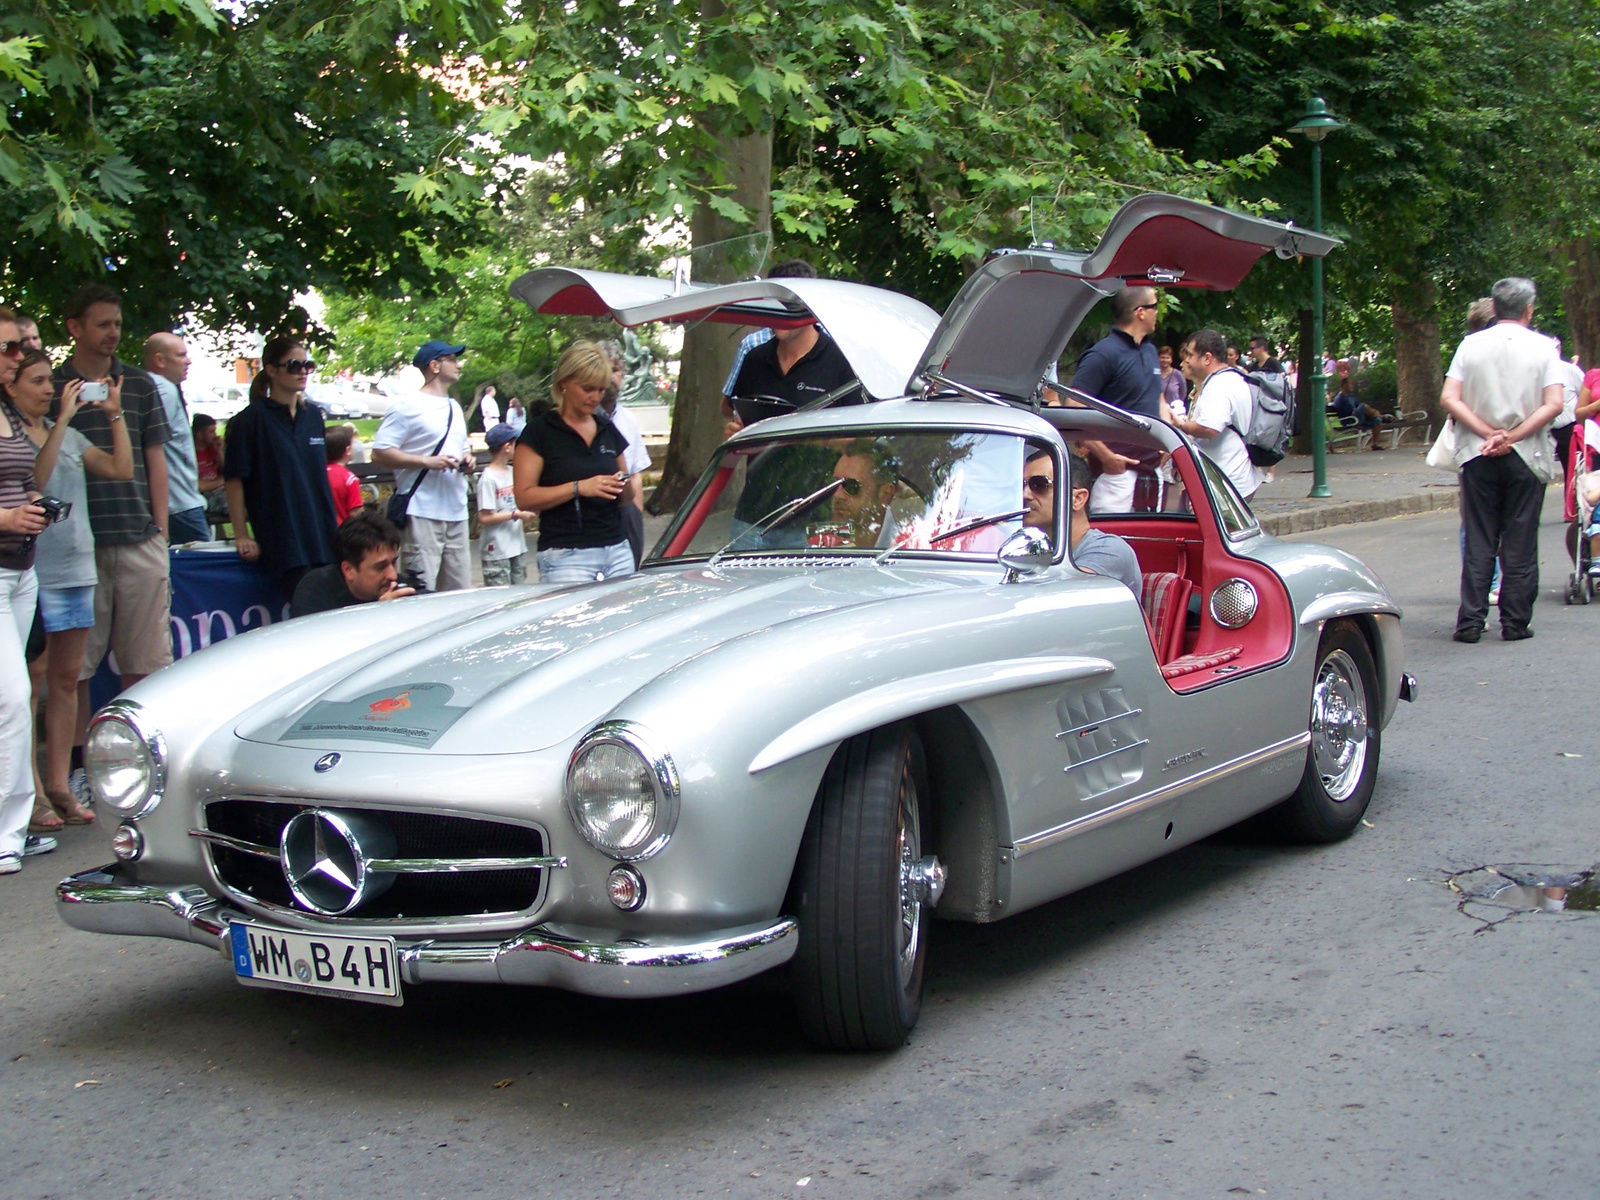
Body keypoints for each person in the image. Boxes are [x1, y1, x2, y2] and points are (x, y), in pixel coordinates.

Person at [52, 285, 173, 804]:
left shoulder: (141, 384)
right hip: (77, 546)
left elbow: (155, 461)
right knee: (75, 670)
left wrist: (162, 532)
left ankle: (138, 766)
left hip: (138, 536)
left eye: (118, 323)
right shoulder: (52, 386)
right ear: (75, 327)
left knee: (145, 663)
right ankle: (81, 766)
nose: (113, 333)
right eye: (103, 323)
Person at [9, 348, 130, 828]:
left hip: (79, 566)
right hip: (39, 570)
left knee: (66, 680)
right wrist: (60, 420)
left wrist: (115, 412)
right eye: (37, 381)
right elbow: (34, 478)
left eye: (48, 381)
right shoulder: (18, 438)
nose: (48, 389)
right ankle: (34, 790)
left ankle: (59, 783)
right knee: (30, 681)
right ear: (12, 387)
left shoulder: (76, 435)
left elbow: (122, 469)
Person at [1440, 276, 1564, 643]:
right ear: (1529, 309)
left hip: (1477, 453)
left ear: (1494, 308)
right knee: (1520, 538)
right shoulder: (1544, 348)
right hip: (1526, 453)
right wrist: (1513, 436)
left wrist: (1485, 432)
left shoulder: (1470, 345)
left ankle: (1470, 621)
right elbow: (1554, 404)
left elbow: (1449, 397)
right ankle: (1515, 621)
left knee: (1479, 535)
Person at [0, 309, 57, 872]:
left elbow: (29, 478)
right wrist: (5, 519)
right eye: (9, 349)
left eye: (19, 347)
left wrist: (34, 510)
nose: (19, 356)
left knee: (11, 700)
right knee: (14, 699)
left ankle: (13, 823)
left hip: (24, 571)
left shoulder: (9, 414)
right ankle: (7, 832)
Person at [223, 335, 338, 596]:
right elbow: (234, 479)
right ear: (271, 370)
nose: (303, 372)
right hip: (285, 539)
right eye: (294, 365)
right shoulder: (250, 421)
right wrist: (242, 535)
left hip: (322, 536)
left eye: (308, 365)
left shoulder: (313, 416)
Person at [513, 340, 634, 584]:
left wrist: (623, 484)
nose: (595, 398)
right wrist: (579, 487)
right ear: (564, 383)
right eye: (588, 389)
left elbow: (626, 493)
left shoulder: (606, 428)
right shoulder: (540, 432)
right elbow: (524, 497)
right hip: (567, 553)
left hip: (617, 547)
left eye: (600, 390)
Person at [371, 340, 472, 592]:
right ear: (435, 365)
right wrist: (427, 461)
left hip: (457, 511)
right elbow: (380, 452)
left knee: (459, 592)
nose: (458, 364)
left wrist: (466, 457)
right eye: (452, 359)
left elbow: (461, 445)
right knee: (422, 588)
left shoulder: (454, 407)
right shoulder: (407, 407)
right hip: (422, 511)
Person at [1067, 285, 1161, 511]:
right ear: (1140, 312)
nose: (1158, 312)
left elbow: (1159, 397)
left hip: (1152, 471)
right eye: (1155, 306)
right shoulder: (1103, 354)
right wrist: (1107, 457)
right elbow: (1074, 409)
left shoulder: (1150, 351)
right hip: (1116, 476)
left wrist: (1169, 441)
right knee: (1112, 540)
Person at [1035, 446, 1142, 594]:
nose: (1025, 494)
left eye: (1039, 485)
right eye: (1020, 486)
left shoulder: (1110, 550)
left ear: (1077, 499)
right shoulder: (1032, 550)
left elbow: (1061, 595)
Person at [1173, 329, 1262, 499]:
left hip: (1224, 483)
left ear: (1207, 358)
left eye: (1190, 355)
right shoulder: (1232, 378)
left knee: (1210, 526)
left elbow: (1209, 428)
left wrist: (1180, 424)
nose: (1186, 360)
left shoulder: (1218, 385)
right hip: (1230, 480)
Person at [143, 332, 209, 544]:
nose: (188, 361)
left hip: (175, 502)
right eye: (181, 355)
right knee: (199, 572)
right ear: (160, 360)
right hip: (179, 503)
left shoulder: (154, 387)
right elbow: (152, 447)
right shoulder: (163, 390)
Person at [290, 510, 415, 617]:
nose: (392, 575)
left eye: (393, 562)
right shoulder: (315, 592)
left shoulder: (397, 586)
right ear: (348, 570)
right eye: (380, 567)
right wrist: (379, 615)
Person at [597, 339, 651, 565]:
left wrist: (635, 515)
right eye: (604, 369)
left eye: (616, 369)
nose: (611, 376)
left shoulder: (627, 419)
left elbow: (636, 473)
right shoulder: (583, 418)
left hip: (626, 512)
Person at [476, 423, 532, 585]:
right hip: (497, 551)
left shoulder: (513, 471)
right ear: (507, 447)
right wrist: (515, 515)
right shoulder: (488, 478)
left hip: (517, 547)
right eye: (516, 444)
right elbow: (485, 517)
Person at [828, 442, 897, 548]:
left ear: (885, 494)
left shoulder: (911, 543)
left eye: (851, 486)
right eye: (833, 484)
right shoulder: (825, 539)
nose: (837, 495)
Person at [192, 413, 227, 534]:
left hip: (222, 490)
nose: (215, 435)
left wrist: (220, 452)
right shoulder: (192, 454)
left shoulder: (213, 449)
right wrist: (222, 480)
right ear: (199, 435)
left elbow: (228, 472)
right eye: (211, 431)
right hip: (206, 495)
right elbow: (197, 485)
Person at [324, 424, 363, 523]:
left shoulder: (317, 474)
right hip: (343, 532)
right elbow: (355, 513)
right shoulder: (349, 479)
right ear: (348, 450)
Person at [1158, 344, 1187, 419]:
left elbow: (1183, 393)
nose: (1165, 360)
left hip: (1174, 413)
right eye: (1162, 357)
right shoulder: (1155, 374)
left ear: (1171, 359)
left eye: (1167, 358)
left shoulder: (1178, 374)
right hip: (1158, 411)